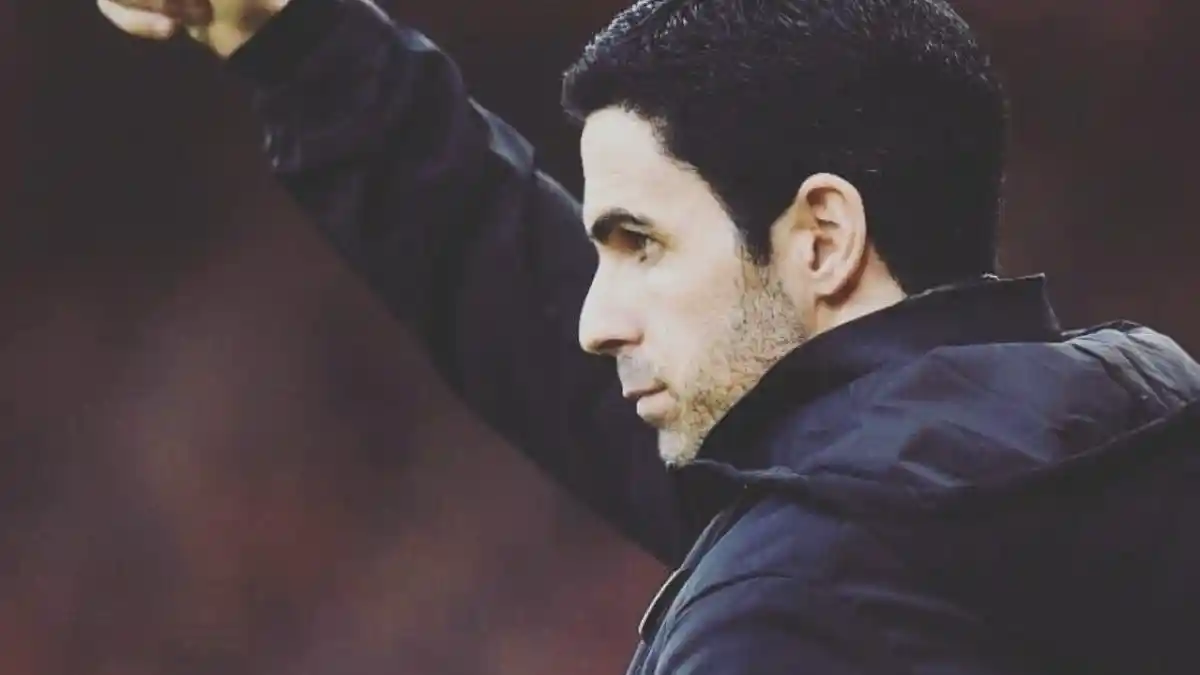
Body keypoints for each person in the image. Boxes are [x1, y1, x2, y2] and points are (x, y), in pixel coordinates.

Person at [99, 0, 1200, 673]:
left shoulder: (793, 606)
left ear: (822, 239)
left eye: (640, 244)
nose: (593, 319)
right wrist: (294, 42)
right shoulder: (1138, 425)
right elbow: (524, 302)